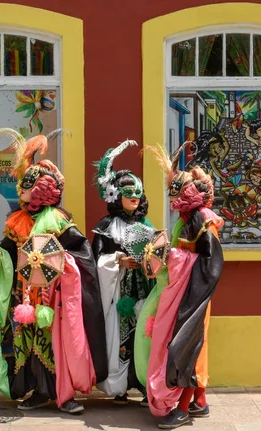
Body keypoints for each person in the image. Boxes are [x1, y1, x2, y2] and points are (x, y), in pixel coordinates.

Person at [0, 128, 108, 414]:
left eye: (24, 187)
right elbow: (9, 250)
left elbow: (80, 254)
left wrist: (59, 263)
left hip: (54, 297)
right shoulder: (17, 221)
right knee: (27, 342)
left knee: (58, 343)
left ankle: (64, 393)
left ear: (39, 190)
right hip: (24, 295)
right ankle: (37, 391)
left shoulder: (59, 220)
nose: (19, 191)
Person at [135, 142, 225, 429]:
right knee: (193, 345)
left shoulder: (202, 221)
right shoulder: (185, 221)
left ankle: (183, 409)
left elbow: (211, 262)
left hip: (196, 293)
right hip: (186, 292)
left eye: (177, 194)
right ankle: (200, 401)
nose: (172, 201)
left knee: (187, 346)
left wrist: (173, 256)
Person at [91, 140, 155, 406]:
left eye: (137, 194)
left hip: (144, 290)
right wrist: (118, 260)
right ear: (116, 195)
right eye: (129, 193)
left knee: (145, 333)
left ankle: (142, 383)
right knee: (119, 336)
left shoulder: (146, 225)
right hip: (117, 291)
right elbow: (95, 259)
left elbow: (155, 255)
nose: (134, 198)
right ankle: (119, 387)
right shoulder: (107, 226)